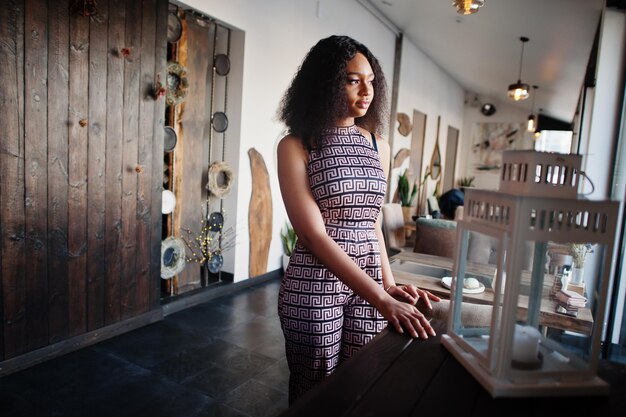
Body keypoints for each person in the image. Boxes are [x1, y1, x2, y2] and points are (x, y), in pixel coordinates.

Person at [276, 35, 441, 403]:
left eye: (371, 80)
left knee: (362, 383)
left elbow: (372, 222)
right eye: (353, 80)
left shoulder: (376, 142)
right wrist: (382, 298)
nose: (366, 90)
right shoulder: (297, 144)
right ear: (325, 83)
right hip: (313, 287)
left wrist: (388, 284)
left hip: (369, 283)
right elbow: (314, 236)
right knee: (315, 391)